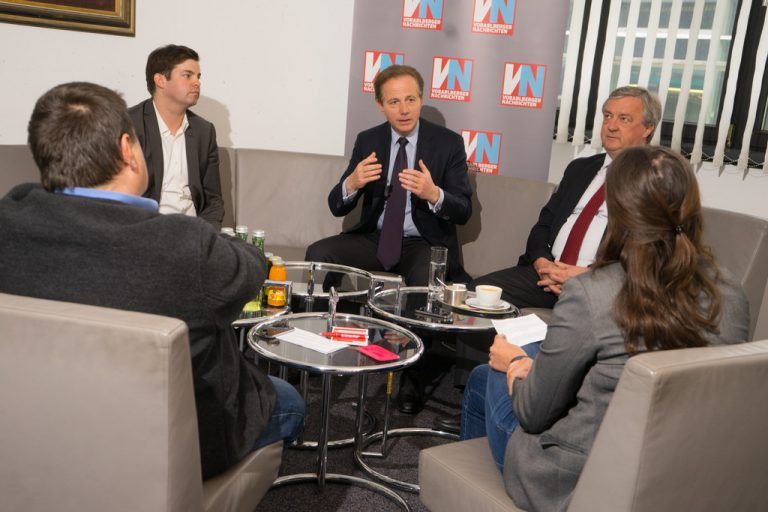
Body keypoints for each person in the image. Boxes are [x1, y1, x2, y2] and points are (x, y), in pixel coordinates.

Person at [0, 82, 303, 480]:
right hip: (170, 439)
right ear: (128, 150)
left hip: (33, 427)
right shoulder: (183, 245)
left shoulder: (9, 220)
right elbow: (250, 269)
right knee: (291, 403)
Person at [460, 146, 750, 512]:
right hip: (682, 475)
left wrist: (517, 364)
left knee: (490, 373)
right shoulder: (731, 293)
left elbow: (533, 414)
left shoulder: (592, 294)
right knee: (492, 373)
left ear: (618, 211)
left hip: (573, 484)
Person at [439, 86, 664, 432]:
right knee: (479, 295)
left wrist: (586, 274)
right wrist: (542, 262)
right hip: (546, 271)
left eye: (624, 118)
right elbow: (544, 224)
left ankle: (536, 408)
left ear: (647, 128)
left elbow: (644, 251)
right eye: (607, 116)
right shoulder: (581, 168)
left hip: (597, 283)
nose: (612, 126)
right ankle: (476, 394)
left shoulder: (654, 179)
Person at [305, 64, 473, 286]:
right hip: (375, 240)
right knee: (318, 254)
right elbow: (336, 207)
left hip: (424, 243)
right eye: (394, 102)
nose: (404, 110)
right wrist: (352, 183)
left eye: (410, 99)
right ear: (380, 105)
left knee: (426, 277)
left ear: (421, 100)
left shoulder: (449, 144)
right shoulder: (368, 140)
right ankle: (312, 319)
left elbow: (463, 211)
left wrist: (433, 194)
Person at [129, 44, 224, 229]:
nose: (197, 82)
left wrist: (206, 237)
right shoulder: (129, 124)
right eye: (187, 75)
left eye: (198, 77)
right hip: (146, 229)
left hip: (193, 233)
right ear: (160, 80)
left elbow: (214, 201)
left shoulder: (205, 131)